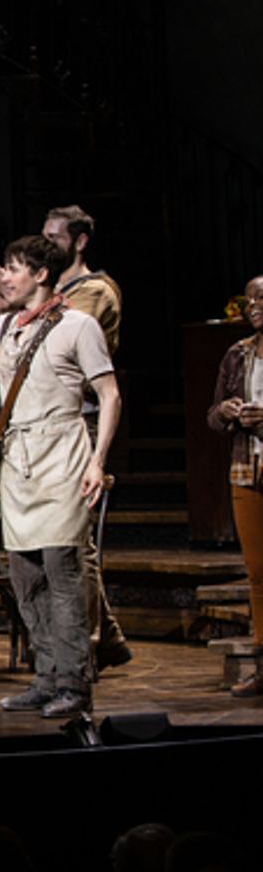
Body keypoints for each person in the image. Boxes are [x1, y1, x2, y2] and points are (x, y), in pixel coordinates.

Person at [0, 235, 120, 717]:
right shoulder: (2, 327)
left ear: (41, 274)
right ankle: (46, 675)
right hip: (19, 460)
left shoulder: (78, 325)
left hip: (62, 452)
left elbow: (109, 395)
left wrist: (98, 460)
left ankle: (74, 682)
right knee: (25, 575)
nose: (6, 276)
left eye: (14, 268)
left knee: (62, 573)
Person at [206, 274, 263, 697]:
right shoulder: (237, 353)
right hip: (248, 470)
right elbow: (211, 416)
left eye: (261, 296)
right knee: (258, 574)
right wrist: (226, 411)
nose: (254, 304)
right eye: (249, 299)